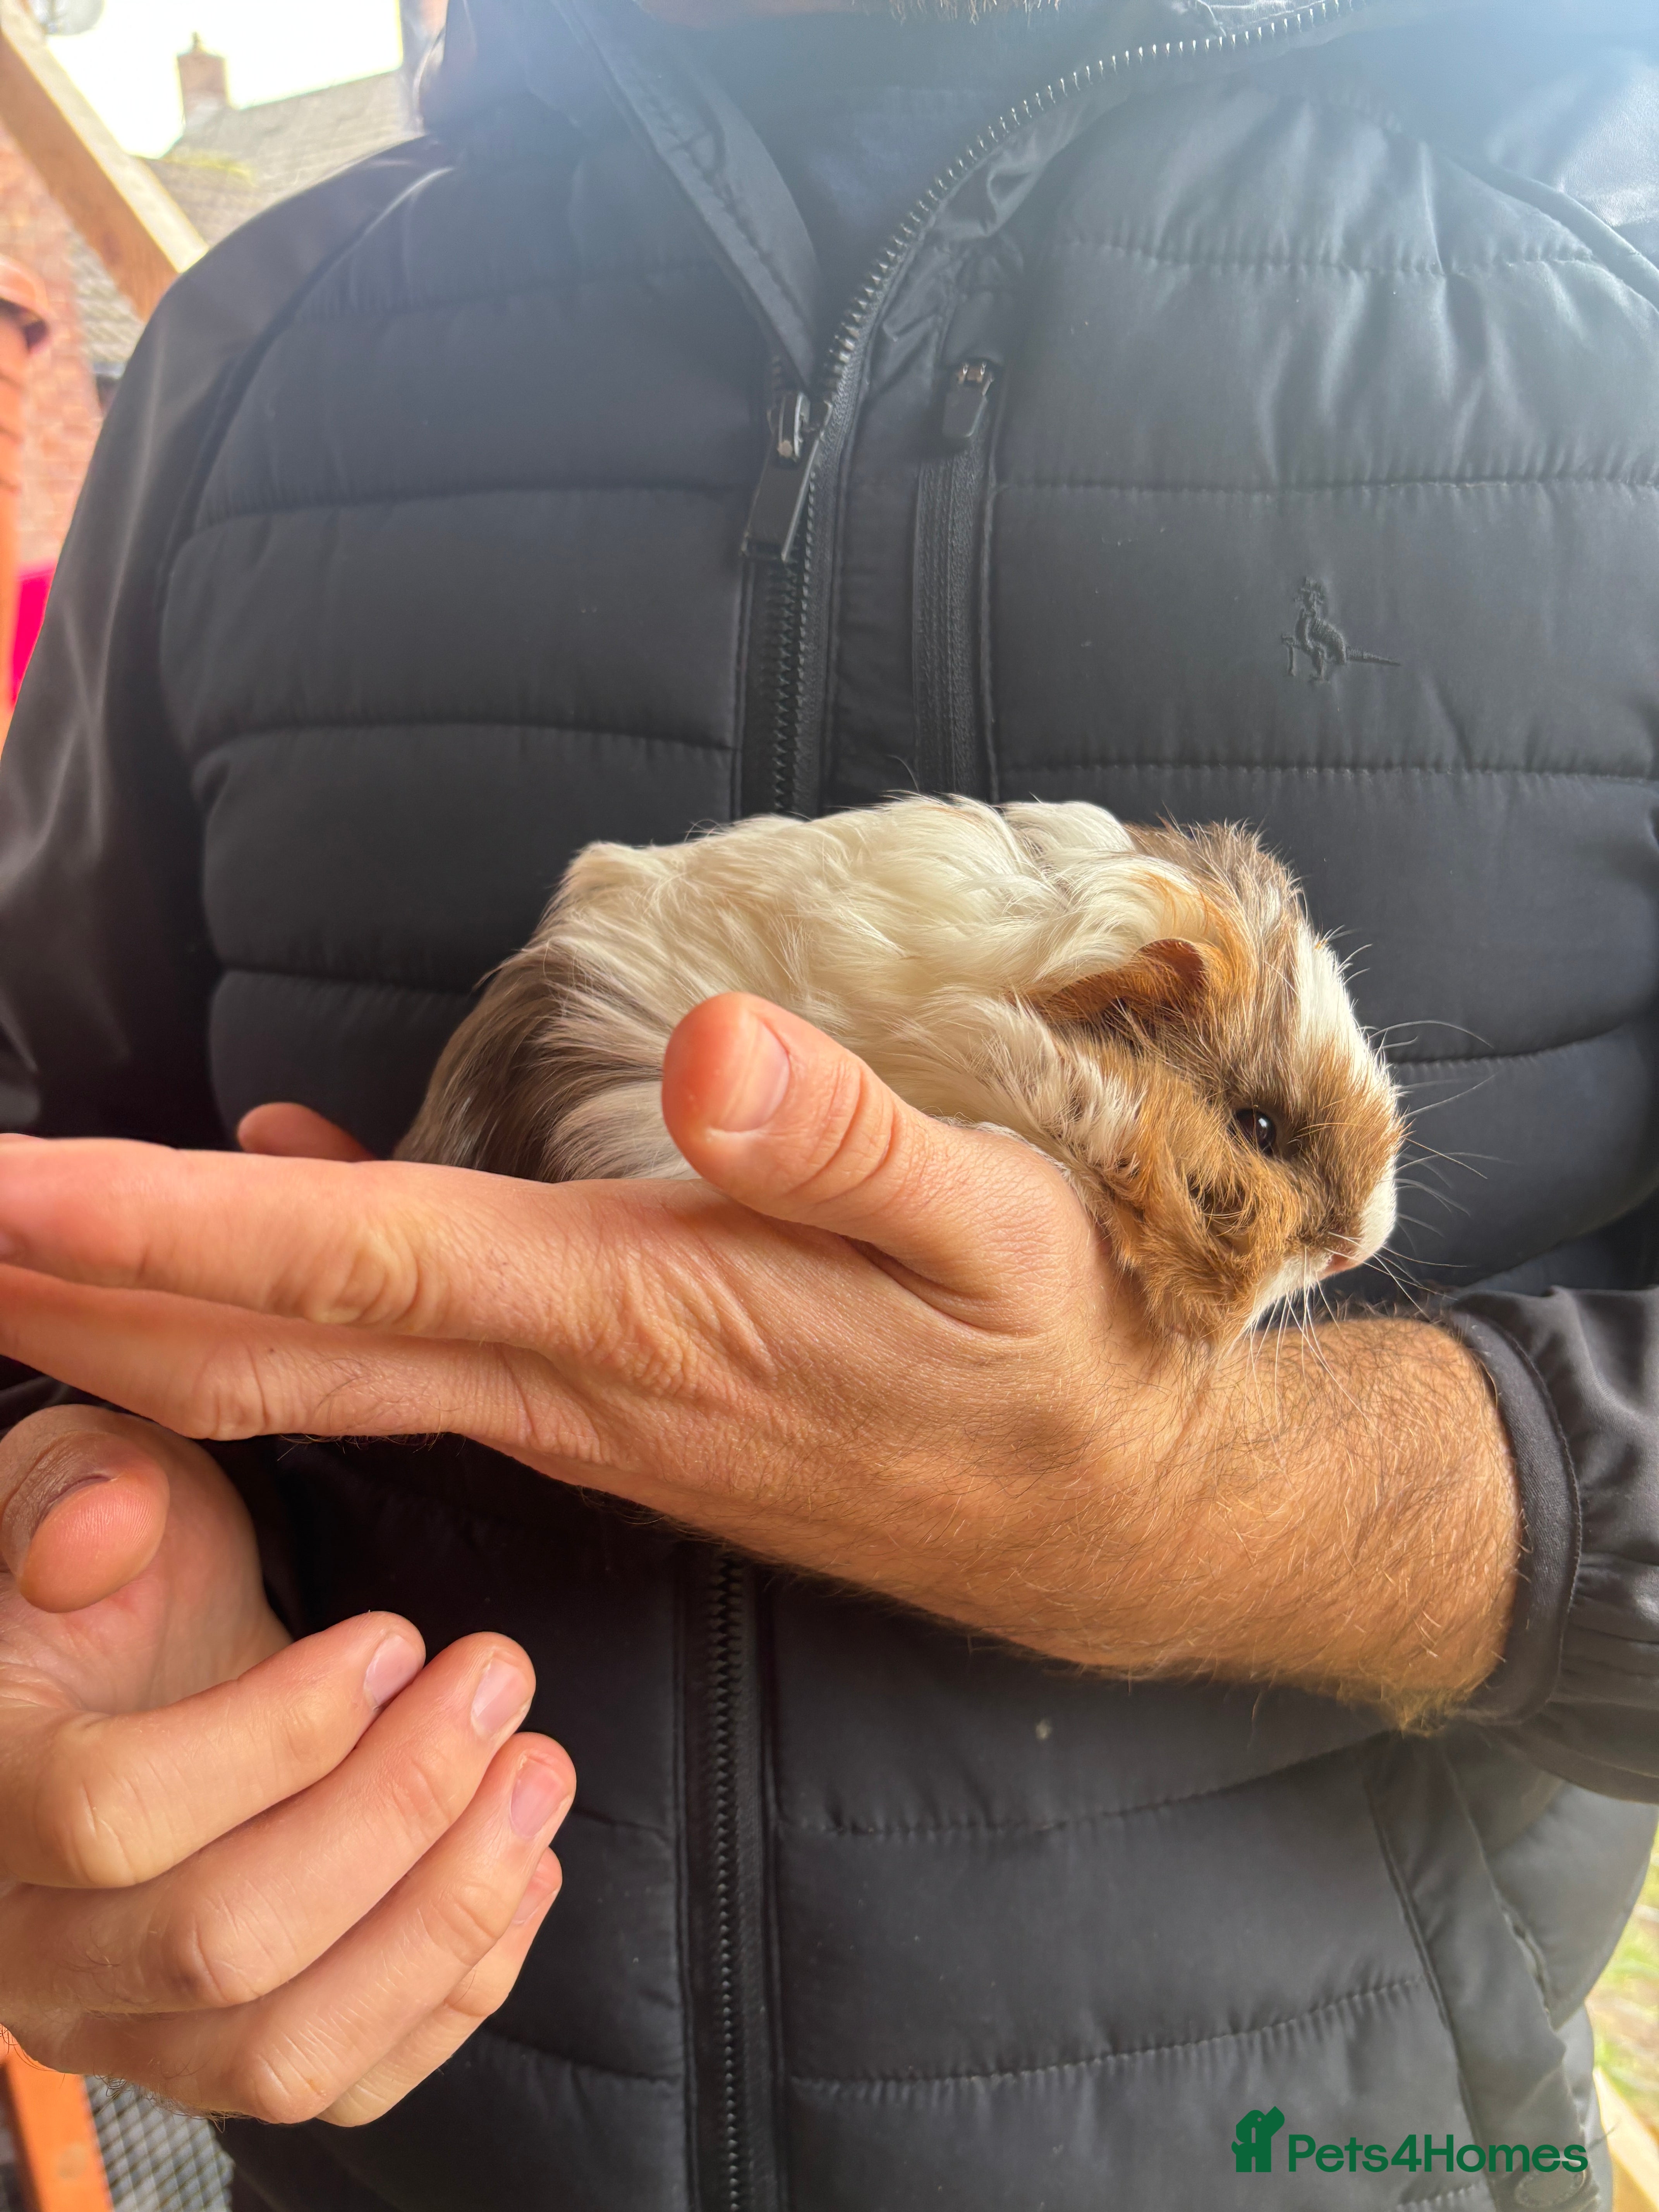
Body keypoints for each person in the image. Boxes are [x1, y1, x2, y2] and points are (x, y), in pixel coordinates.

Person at [0, 0, 1656, 2203]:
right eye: (1257, 1151)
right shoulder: (259, 345)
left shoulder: (1619, 268)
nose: (1339, 1226)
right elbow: (41, 1140)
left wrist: (1237, 1496)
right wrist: (59, 1537)